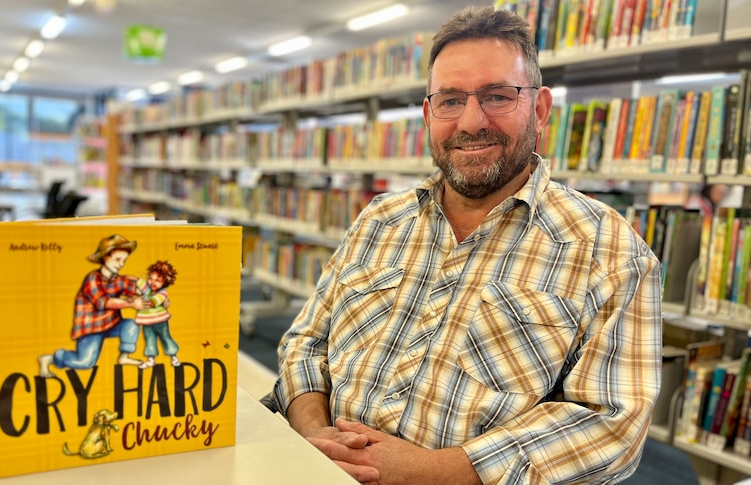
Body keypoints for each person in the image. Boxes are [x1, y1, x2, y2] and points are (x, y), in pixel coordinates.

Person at [271, 6, 662, 484]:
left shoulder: (611, 249)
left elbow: (612, 423)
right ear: (428, 113)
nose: (471, 121)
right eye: (450, 100)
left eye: (497, 96)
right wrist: (318, 437)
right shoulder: (379, 219)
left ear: (539, 108)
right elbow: (306, 342)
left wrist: (435, 471)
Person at [38, 234, 149, 378]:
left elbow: (135, 289)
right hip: (91, 327)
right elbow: (103, 302)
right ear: (105, 257)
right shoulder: (92, 278)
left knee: (131, 324)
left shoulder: (118, 280)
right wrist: (132, 303)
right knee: (85, 362)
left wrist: (145, 288)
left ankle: (124, 356)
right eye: (118, 259)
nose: (121, 264)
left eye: (124, 260)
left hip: (111, 324)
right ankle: (51, 358)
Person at [135, 260, 182, 368]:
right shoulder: (147, 289)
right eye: (150, 278)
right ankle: (151, 359)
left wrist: (137, 301)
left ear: (164, 282)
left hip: (160, 322)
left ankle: (173, 356)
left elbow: (152, 303)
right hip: (146, 323)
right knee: (149, 339)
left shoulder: (162, 293)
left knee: (165, 337)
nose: (152, 282)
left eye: (157, 280)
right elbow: (138, 281)